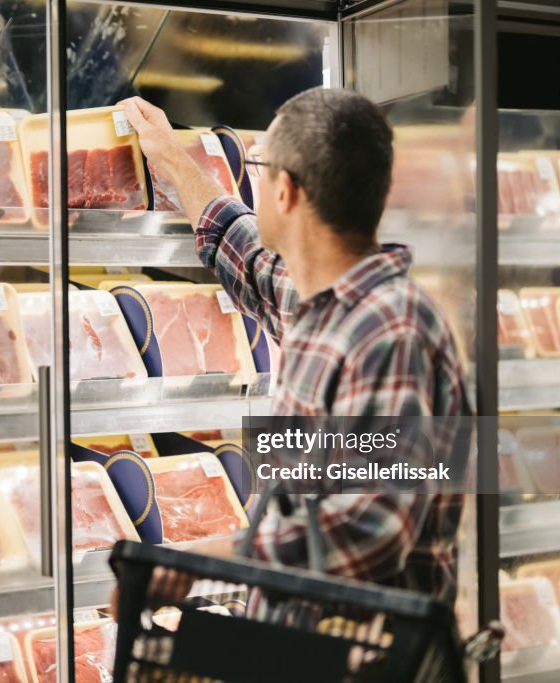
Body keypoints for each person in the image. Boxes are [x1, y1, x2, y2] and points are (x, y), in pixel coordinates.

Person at [113, 88, 469, 611]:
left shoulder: (390, 329)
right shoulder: (322, 301)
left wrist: (207, 560)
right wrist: (171, 159)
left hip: (360, 648)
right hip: (303, 638)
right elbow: (245, 251)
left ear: (285, 191)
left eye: (260, 167)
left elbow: (370, 528)